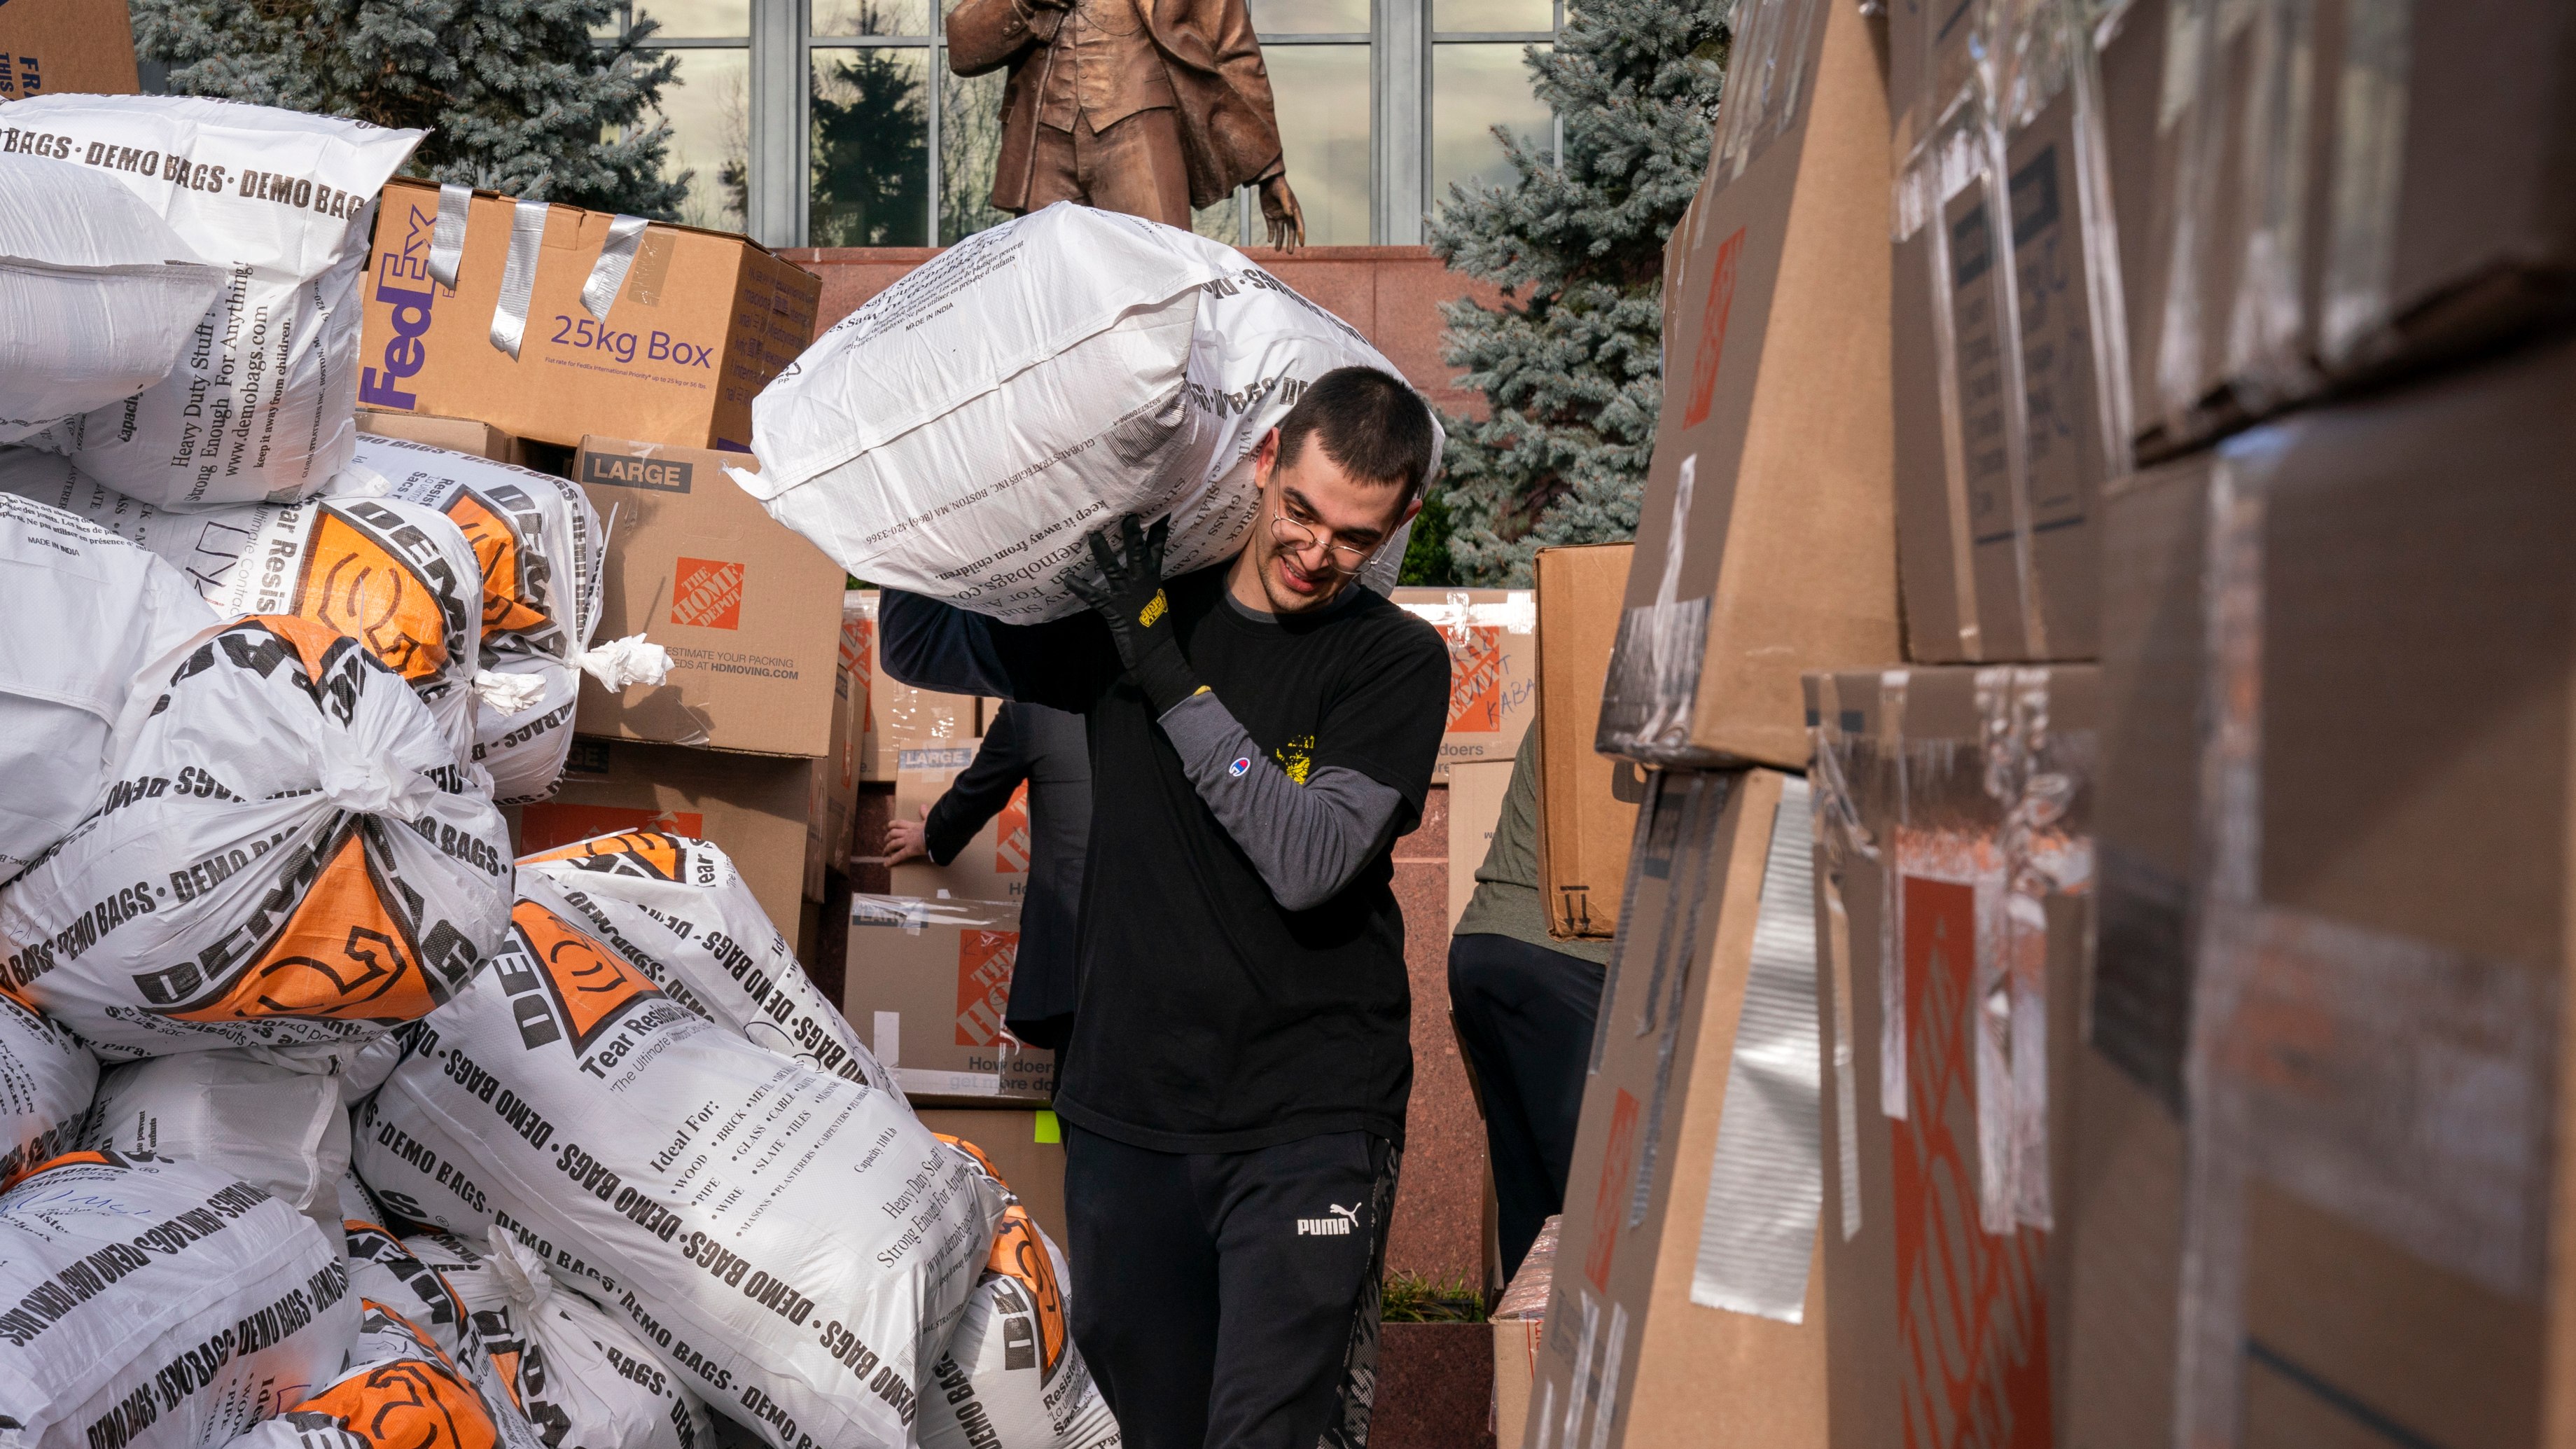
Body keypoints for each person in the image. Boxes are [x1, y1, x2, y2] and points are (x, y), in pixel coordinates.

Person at [879, 366, 1447, 1449]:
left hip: (1308, 1117)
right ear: (1267, 456)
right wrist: (963, 470)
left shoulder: (1390, 660)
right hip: (1129, 1111)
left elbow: (1308, 858)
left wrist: (1168, 675)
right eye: (1301, 512)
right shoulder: (1129, 607)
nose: (1314, 552)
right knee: (1147, 1431)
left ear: (1399, 524)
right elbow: (916, 643)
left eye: (1353, 537)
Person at [1447, 725, 1614, 1281]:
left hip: (1488, 945)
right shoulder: (1679, 671)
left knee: (1540, 1223)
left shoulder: (1579, 659)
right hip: (1564, 954)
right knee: (1605, 1225)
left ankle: (1525, 1366)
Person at [945, 0, 1306, 246]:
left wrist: (1268, 170)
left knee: (1162, 282)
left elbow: (1234, 48)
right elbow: (963, 47)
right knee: (1048, 296)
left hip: (1142, 130)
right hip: (1043, 140)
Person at [882, 700, 1092, 1051]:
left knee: (1087, 1094)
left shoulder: (1039, 705)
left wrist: (932, 834)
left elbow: (979, 791)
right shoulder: (1166, 697)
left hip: (1080, 961)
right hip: (1179, 947)